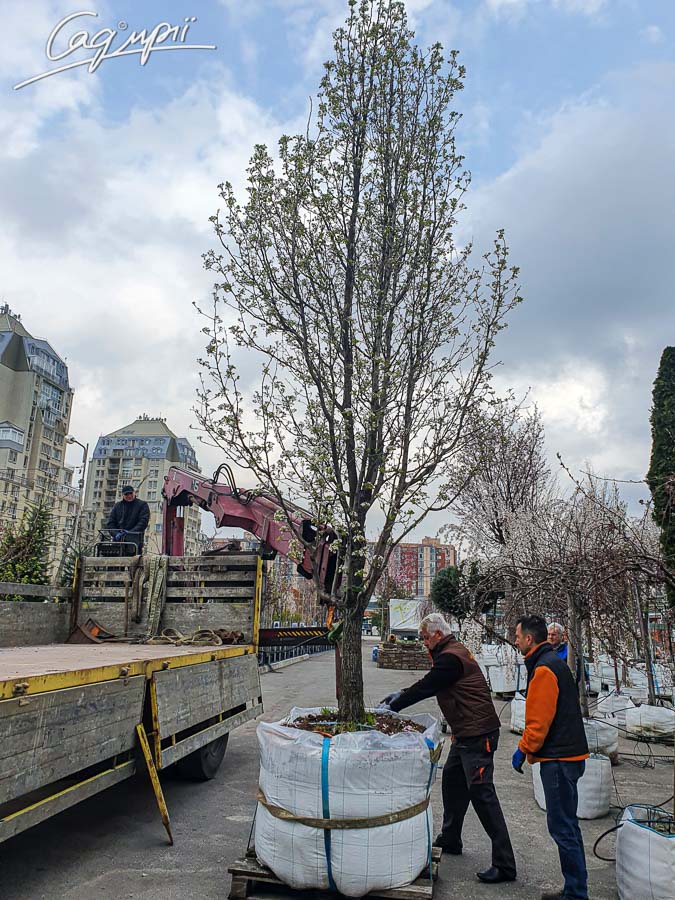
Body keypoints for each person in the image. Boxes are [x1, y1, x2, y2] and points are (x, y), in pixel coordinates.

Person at [379, 612, 517, 885]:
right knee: (453, 782)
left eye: (425, 638)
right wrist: (402, 693)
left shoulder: (451, 658)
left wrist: (396, 704)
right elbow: (433, 681)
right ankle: (451, 838)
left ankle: (505, 864)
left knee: (482, 794)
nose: (423, 643)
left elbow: (428, 686)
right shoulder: (450, 652)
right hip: (465, 732)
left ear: (438, 635)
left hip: (478, 735)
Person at [513, 615, 589, 900]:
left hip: (559, 760)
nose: (516, 641)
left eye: (517, 636)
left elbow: (538, 723)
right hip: (569, 756)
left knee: (562, 828)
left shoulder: (544, 669)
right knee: (568, 825)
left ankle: (576, 894)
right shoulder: (552, 662)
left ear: (529, 638)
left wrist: (523, 748)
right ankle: (574, 888)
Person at [106, 485, 150, 554]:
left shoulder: (142, 505)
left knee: (133, 559)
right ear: (123, 495)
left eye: (130, 493)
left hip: (135, 541)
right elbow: (111, 523)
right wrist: (115, 533)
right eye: (126, 494)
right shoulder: (117, 506)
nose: (129, 496)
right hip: (118, 542)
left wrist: (130, 532)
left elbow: (143, 522)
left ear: (134, 493)